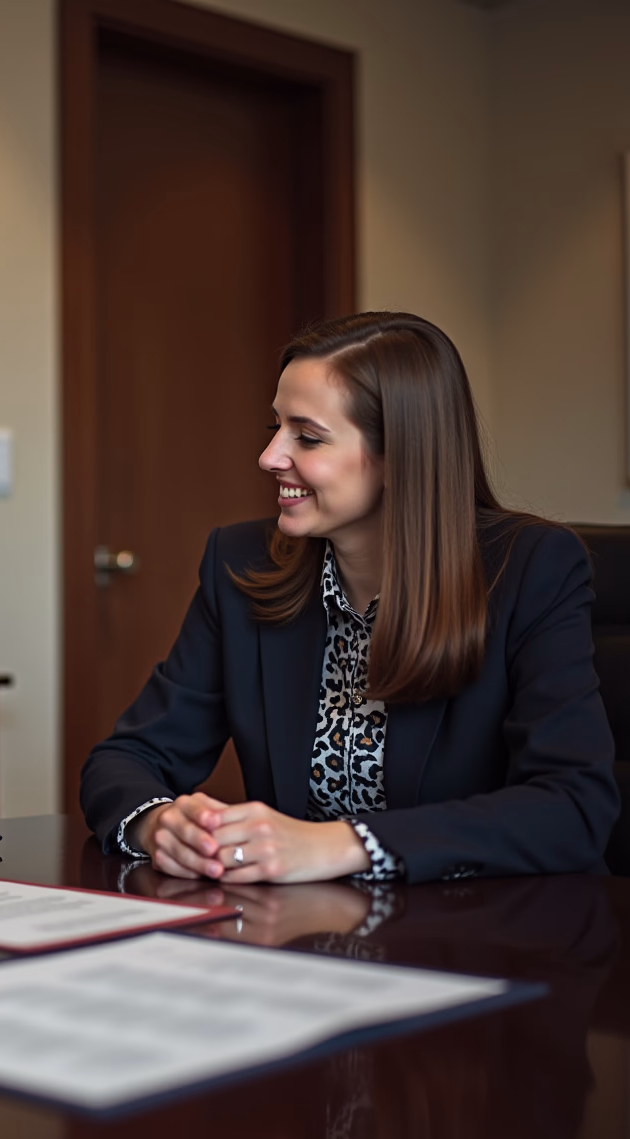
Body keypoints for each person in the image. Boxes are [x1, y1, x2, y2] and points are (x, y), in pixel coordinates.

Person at [81, 311, 619, 884]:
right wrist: (160, 824)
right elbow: (125, 760)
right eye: (276, 428)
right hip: (304, 937)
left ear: (400, 457)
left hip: (486, 935)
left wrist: (342, 844)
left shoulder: (531, 568)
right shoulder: (241, 564)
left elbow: (572, 806)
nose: (270, 458)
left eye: (307, 437)